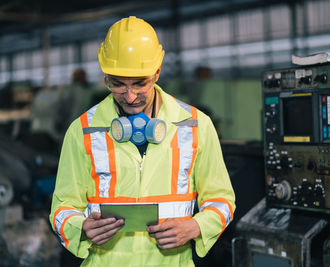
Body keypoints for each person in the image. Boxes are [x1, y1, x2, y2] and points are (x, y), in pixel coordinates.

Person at [49, 16, 235, 266]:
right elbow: (62, 208)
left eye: (140, 83)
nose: (130, 96)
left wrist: (196, 226)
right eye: (117, 84)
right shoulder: (83, 130)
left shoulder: (195, 125)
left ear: (157, 72)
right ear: (105, 78)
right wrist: (80, 226)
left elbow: (222, 200)